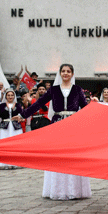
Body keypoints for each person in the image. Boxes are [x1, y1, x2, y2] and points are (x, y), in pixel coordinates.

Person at [21, 64, 91, 200]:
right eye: (63, 71)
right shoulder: (53, 90)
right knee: (57, 156)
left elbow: (85, 108)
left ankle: (74, 190)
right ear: (60, 73)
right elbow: (39, 103)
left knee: (72, 156)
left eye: (68, 71)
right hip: (57, 124)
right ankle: (57, 189)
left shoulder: (77, 89)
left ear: (72, 74)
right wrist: (24, 114)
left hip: (73, 125)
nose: (66, 74)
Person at [0, 89, 25, 170]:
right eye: (8, 95)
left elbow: (21, 114)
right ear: (6, 96)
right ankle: (5, 163)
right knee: (5, 145)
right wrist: (7, 108)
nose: (10, 97)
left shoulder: (18, 105)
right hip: (5, 127)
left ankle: (16, 162)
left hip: (16, 127)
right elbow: (0, 114)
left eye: (12, 95)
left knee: (16, 145)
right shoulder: (1, 105)